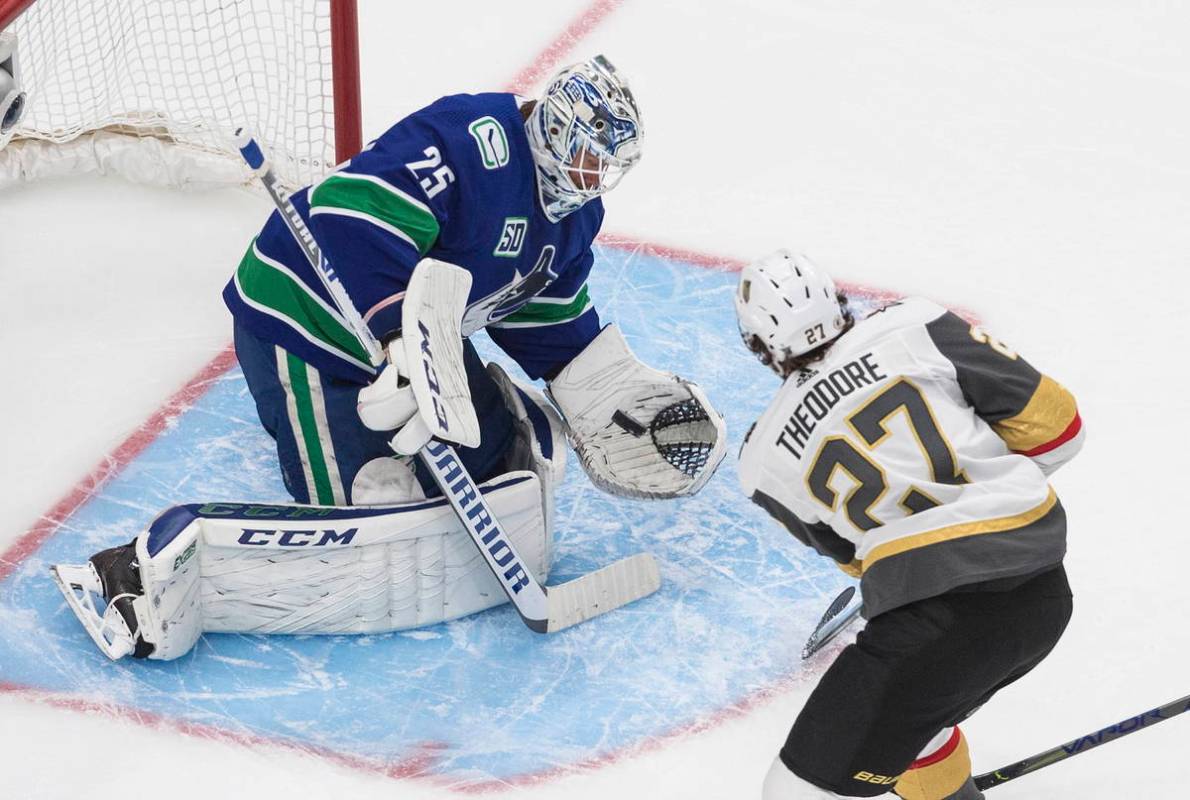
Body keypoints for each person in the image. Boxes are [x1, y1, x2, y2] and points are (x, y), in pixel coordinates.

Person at [50, 55, 726, 661]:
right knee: (380, 506)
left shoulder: (578, 213)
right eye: (583, 156)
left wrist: (599, 383)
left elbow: (537, 307)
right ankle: (134, 576)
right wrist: (400, 350)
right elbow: (355, 221)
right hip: (309, 324)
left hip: (421, 332)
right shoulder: (470, 141)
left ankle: (450, 397)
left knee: (503, 467)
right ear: (552, 127)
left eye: (606, 168)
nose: (590, 178)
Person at [735, 250, 1083, 800]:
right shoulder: (913, 324)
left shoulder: (762, 462)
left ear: (756, 346)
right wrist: (989, 486)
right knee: (915, 726)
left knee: (793, 793)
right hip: (1042, 594)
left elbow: (858, 557)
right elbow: (1060, 428)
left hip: (938, 623)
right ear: (840, 302)